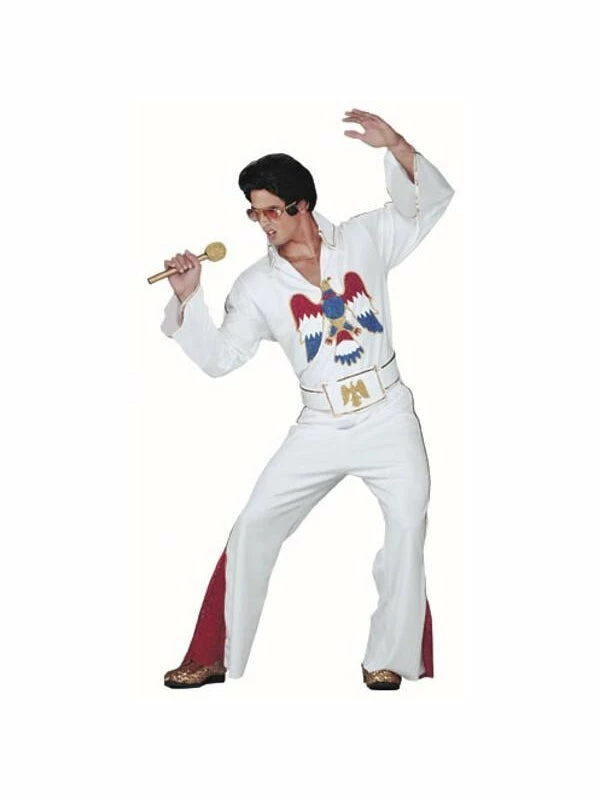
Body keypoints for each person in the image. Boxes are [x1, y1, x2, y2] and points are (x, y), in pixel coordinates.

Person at [159, 108, 454, 691]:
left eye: (272, 210)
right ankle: (212, 654)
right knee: (254, 524)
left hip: (388, 416)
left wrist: (395, 144)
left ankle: (389, 656)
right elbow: (221, 359)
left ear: (303, 206)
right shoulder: (257, 285)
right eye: (254, 211)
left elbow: (430, 203)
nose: (262, 222)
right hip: (320, 423)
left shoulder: (366, 238)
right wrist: (190, 299)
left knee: (406, 529)